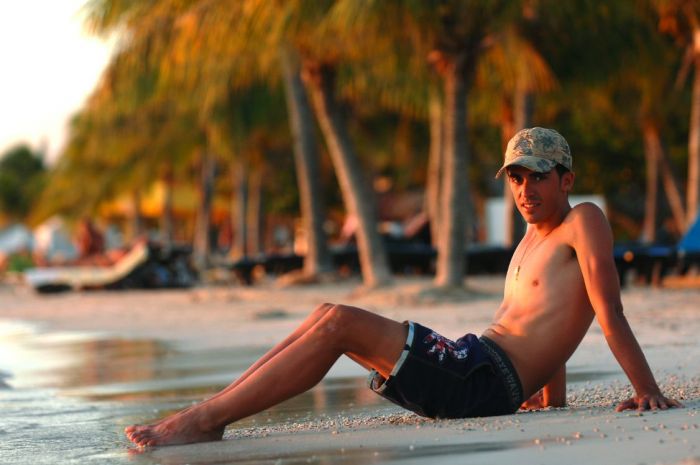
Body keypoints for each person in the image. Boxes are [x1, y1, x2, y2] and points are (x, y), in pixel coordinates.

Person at [125, 127, 681, 448]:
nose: (526, 188)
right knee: (325, 311)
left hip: (480, 378)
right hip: (477, 364)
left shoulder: (584, 220)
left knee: (341, 323)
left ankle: (204, 422)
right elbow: (551, 322)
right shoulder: (529, 242)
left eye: (538, 176)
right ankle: (210, 411)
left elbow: (607, 312)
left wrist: (646, 388)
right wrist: (549, 401)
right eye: (516, 176)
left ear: (567, 180)